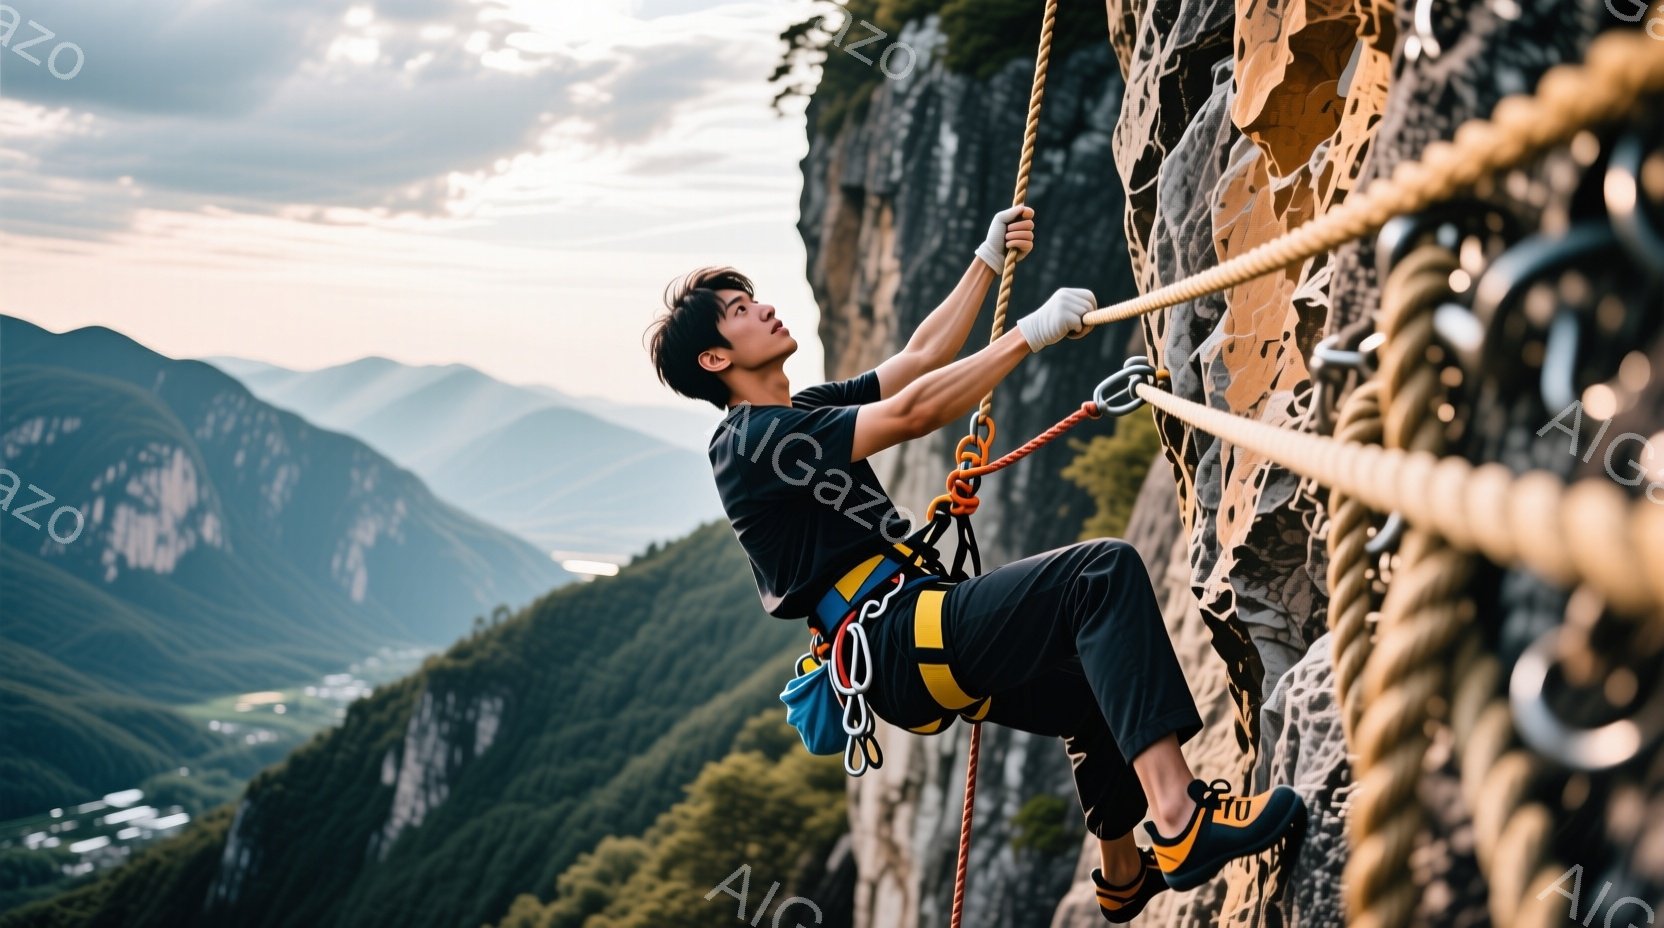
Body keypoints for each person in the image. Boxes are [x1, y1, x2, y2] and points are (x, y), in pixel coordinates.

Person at [645, 205, 1306, 922]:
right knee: (1100, 575)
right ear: (716, 359)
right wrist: (1028, 336)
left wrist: (987, 259)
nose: (766, 308)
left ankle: (1122, 877)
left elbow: (920, 359)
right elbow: (910, 414)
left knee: (1091, 687)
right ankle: (1179, 822)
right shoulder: (751, 442)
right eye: (742, 310)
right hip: (898, 634)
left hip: (902, 641)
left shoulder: (794, 413)